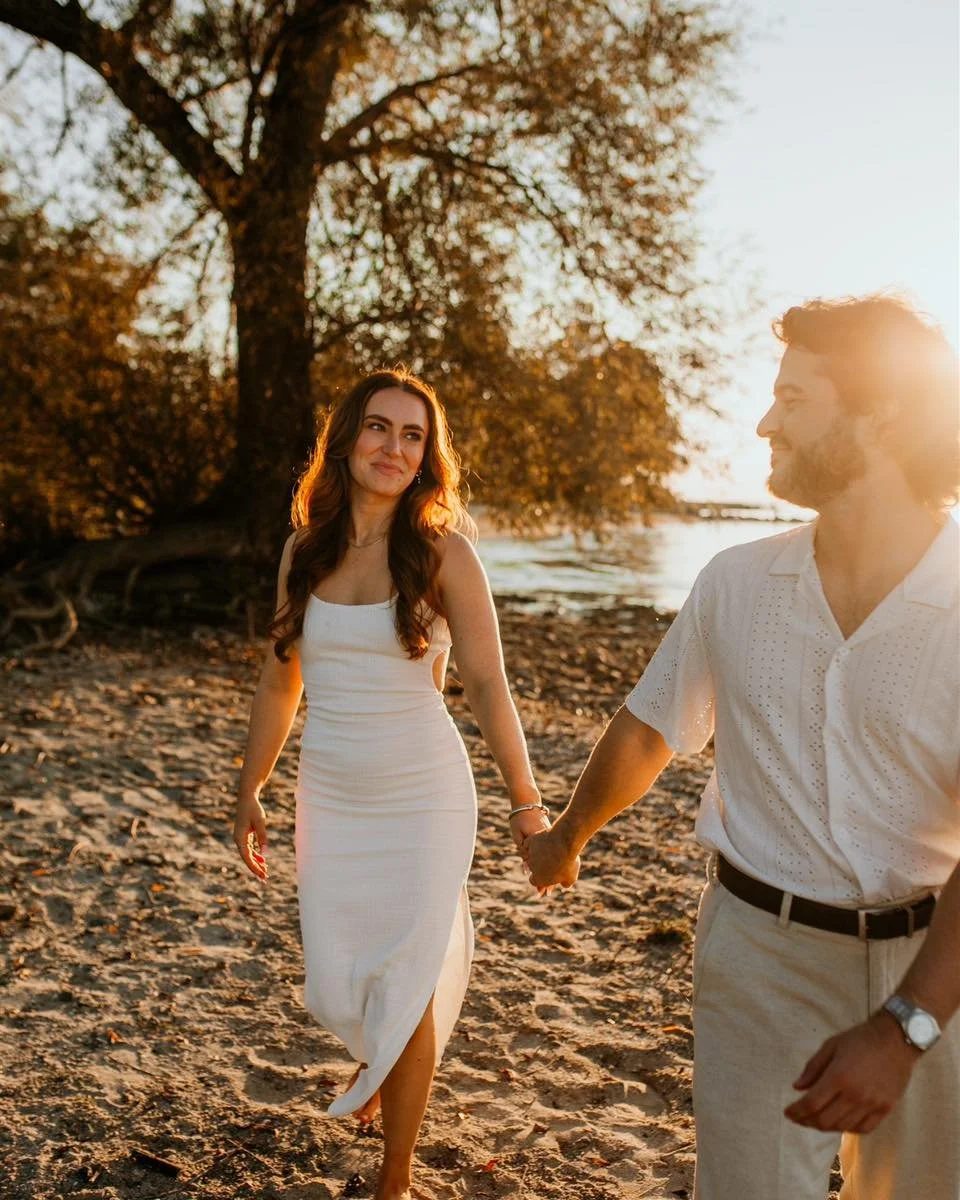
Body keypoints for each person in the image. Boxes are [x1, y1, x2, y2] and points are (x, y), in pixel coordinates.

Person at [523, 295, 960, 1200]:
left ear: (880, 414)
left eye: (795, 399)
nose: (765, 421)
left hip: (940, 963)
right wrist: (570, 834)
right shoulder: (735, 583)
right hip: (762, 954)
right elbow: (651, 727)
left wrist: (907, 1026)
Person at [232, 368, 547, 1200]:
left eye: (414, 436)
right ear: (345, 438)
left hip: (424, 798)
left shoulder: (445, 554)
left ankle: (395, 1179)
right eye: (379, 428)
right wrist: (250, 787)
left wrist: (527, 803)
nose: (394, 448)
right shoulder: (305, 551)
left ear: (427, 457)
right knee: (343, 975)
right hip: (331, 798)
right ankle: (377, 1064)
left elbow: (486, 684)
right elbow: (278, 683)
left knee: (406, 977)